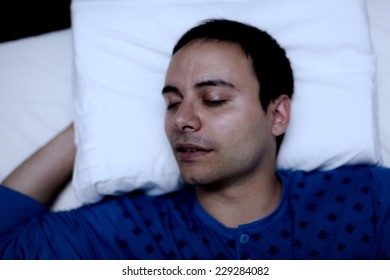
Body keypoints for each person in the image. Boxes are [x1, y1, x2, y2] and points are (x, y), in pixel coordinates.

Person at [0, 19, 389, 260]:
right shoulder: (125, 231)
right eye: (172, 103)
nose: (182, 119)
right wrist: (90, 123)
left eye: (213, 99)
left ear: (278, 115)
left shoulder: (366, 200)